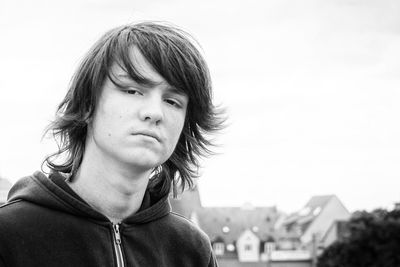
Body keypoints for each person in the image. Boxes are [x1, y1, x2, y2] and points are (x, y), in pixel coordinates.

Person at [0, 21, 224, 266]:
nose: (155, 112)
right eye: (133, 91)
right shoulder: (9, 235)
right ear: (87, 105)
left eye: (172, 101)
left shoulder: (192, 250)